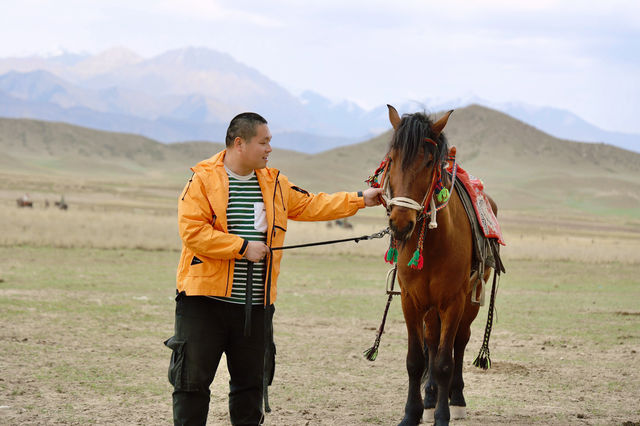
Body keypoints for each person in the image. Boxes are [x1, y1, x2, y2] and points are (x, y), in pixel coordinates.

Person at [165, 112, 383, 425]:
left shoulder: (275, 183)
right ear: (240, 143)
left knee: (251, 388)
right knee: (191, 386)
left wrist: (361, 199)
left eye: (271, 142)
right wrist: (241, 248)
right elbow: (193, 232)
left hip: (256, 307)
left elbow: (311, 204)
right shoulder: (202, 180)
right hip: (203, 304)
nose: (270, 149)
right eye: (264, 142)